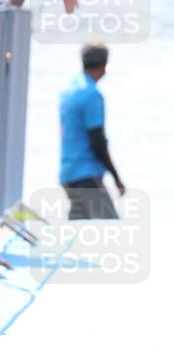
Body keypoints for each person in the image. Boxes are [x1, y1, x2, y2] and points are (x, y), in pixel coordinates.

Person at [59, 43, 125, 219]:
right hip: (86, 174)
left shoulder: (69, 89)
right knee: (112, 233)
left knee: (79, 234)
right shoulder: (91, 94)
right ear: (104, 65)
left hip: (68, 173)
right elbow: (97, 140)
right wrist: (116, 177)